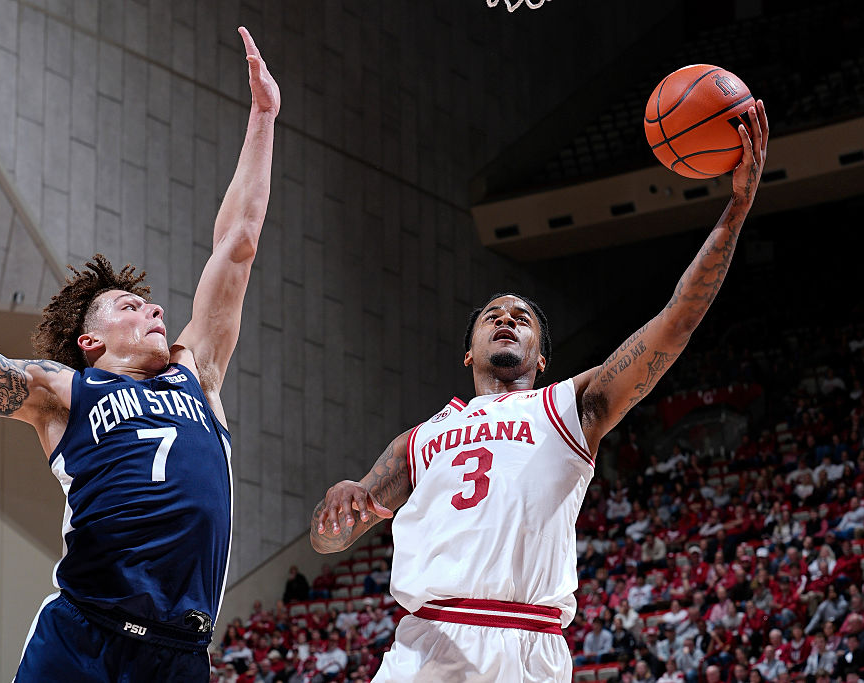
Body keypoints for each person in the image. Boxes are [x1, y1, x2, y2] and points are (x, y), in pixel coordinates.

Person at [310, 102, 770, 681]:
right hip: (424, 647)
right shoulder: (421, 438)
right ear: (469, 352)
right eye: (493, 316)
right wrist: (338, 510)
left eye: (522, 318)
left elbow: (674, 323)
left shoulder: (567, 406)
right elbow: (333, 541)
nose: (507, 319)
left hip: (526, 647)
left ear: (542, 357)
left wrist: (735, 210)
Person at [0, 28, 279, 683]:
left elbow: (237, 243)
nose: (154, 311)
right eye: (129, 307)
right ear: (89, 342)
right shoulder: (67, 392)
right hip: (82, 635)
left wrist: (265, 118)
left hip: (178, 654)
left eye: (152, 305)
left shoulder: (197, 371)